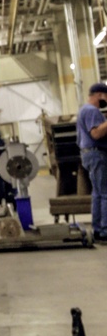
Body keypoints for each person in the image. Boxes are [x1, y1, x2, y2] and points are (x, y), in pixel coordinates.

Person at [77, 83, 107, 240]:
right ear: (100, 95)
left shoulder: (84, 110)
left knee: (98, 193)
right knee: (104, 193)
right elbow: (95, 133)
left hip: (90, 155)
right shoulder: (91, 111)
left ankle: (98, 228)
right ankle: (104, 230)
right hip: (97, 155)